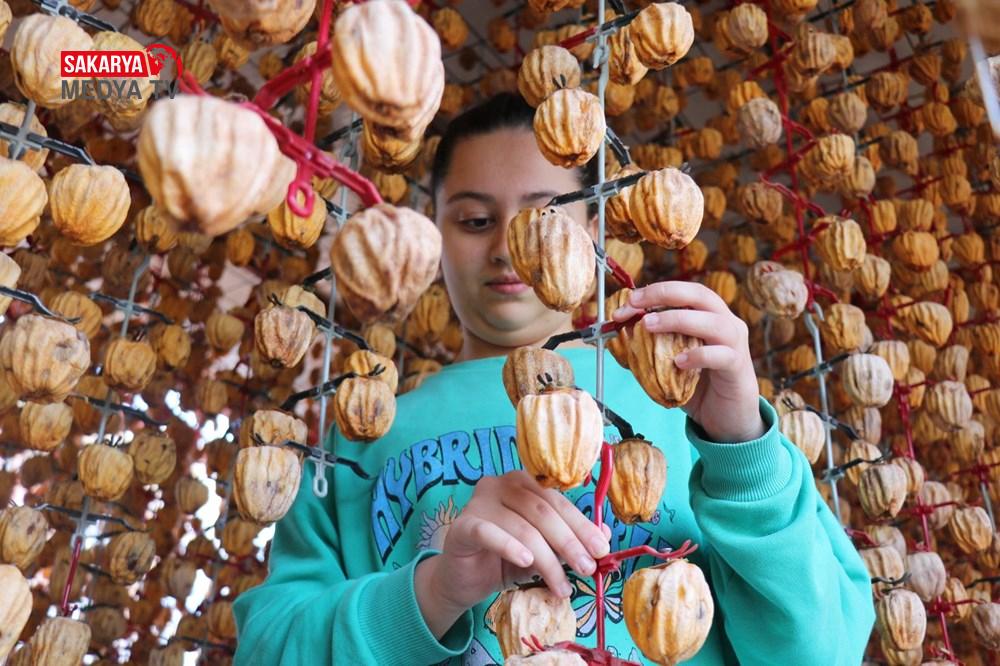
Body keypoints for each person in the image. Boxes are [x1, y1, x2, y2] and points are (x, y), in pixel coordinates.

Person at [232, 93, 875, 665]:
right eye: (475, 221)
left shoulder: (699, 414)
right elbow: (268, 650)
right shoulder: (355, 441)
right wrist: (433, 591)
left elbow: (824, 651)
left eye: (546, 214)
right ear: (435, 235)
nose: (509, 247)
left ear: (595, 229)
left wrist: (741, 451)